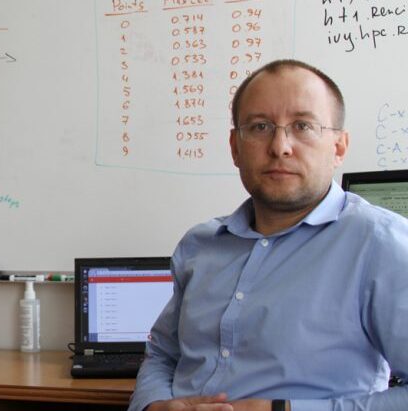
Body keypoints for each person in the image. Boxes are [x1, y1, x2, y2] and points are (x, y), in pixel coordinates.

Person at [129, 59, 408, 411]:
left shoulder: (381, 244)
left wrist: (285, 408)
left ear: (338, 147)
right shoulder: (200, 245)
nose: (280, 146)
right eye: (260, 127)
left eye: (303, 126)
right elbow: (162, 355)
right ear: (235, 147)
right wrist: (153, 405)